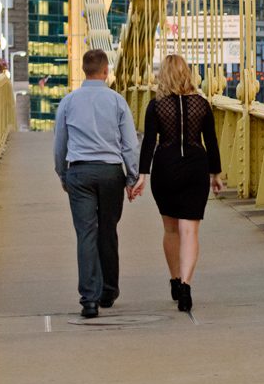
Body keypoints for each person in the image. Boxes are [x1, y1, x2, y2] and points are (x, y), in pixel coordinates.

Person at [128, 54, 224, 313]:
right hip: (195, 169)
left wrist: (142, 175)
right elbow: (211, 141)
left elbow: (149, 142)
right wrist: (215, 174)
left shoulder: (156, 106)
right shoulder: (202, 104)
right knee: (190, 232)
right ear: (187, 73)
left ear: (163, 75)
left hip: (165, 169)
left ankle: (174, 279)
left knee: (171, 230)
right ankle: (186, 286)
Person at [54, 48, 139, 319]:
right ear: (106, 71)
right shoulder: (117, 101)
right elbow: (130, 144)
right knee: (108, 230)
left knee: (86, 234)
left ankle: (89, 300)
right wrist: (132, 177)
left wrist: (63, 174)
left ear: (83, 70)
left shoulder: (68, 102)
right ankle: (109, 291)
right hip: (110, 172)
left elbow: (60, 144)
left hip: (79, 172)